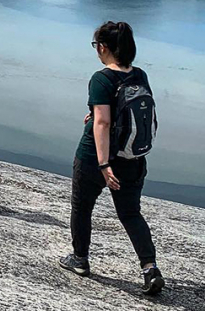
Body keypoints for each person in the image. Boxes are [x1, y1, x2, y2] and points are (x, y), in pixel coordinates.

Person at [59, 21, 165, 296]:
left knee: (82, 207)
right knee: (130, 214)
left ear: (104, 47)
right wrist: (95, 114)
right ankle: (149, 268)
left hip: (96, 157)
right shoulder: (140, 75)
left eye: (97, 46)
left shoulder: (102, 78)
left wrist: (104, 164)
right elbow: (124, 113)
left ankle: (80, 259)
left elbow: (104, 123)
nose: (97, 51)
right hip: (132, 158)